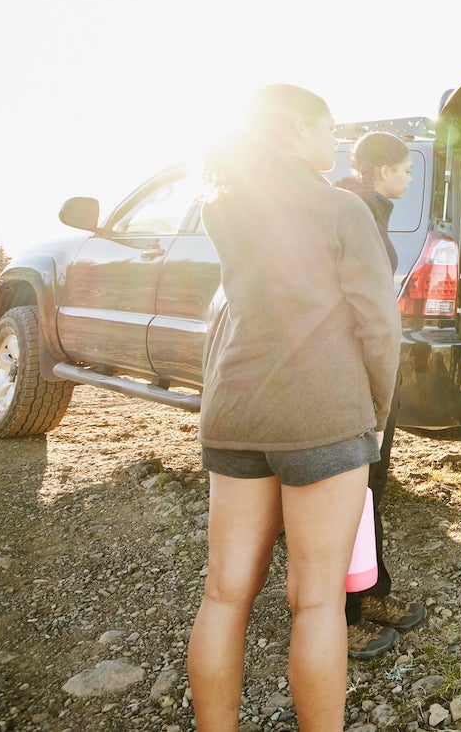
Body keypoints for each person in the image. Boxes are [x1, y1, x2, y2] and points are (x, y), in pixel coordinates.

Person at [190, 85, 401, 732]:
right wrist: (374, 405)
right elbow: (380, 324)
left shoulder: (224, 206)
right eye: (326, 129)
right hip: (322, 416)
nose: (334, 143)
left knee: (223, 594)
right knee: (316, 603)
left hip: (235, 409)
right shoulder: (341, 209)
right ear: (292, 132)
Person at [335, 131, 427, 660]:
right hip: (350, 378)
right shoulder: (354, 212)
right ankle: (341, 616)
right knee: (350, 494)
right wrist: (375, 389)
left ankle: (369, 592)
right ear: (381, 169)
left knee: (369, 491)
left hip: (367, 372)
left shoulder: (370, 210)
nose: (410, 178)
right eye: (406, 169)